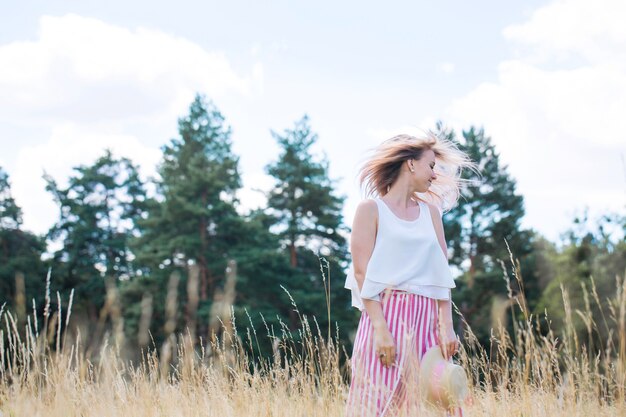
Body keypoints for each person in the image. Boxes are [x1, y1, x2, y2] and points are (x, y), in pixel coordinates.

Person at [344, 132, 477, 416]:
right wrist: (380, 328)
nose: (434, 174)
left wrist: (446, 323)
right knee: (375, 404)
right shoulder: (371, 210)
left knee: (437, 403)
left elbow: (441, 272)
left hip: (427, 320)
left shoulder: (431, 213)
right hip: (385, 314)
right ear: (410, 164)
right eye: (431, 165)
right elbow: (361, 273)